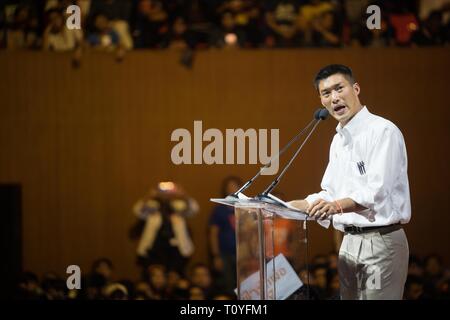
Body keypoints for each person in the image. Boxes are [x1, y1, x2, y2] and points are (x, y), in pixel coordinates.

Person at [289, 64, 411, 300]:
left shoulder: (383, 131)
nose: (334, 98)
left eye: (339, 88)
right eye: (326, 93)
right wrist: (288, 206)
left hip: (380, 240)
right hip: (349, 243)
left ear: (355, 88)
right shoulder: (338, 141)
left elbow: (377, 192)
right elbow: (331, 193)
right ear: (321, 101)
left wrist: (335, 206)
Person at [208, 176, 241, 294]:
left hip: (242, 254)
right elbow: (213, 234)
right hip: (224, 254)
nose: (232, 189)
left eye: (235, 186)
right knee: (227, 284)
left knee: (242, 284)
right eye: (229, 187)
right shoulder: (219, 210)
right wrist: (216, 255)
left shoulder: (245, 208)